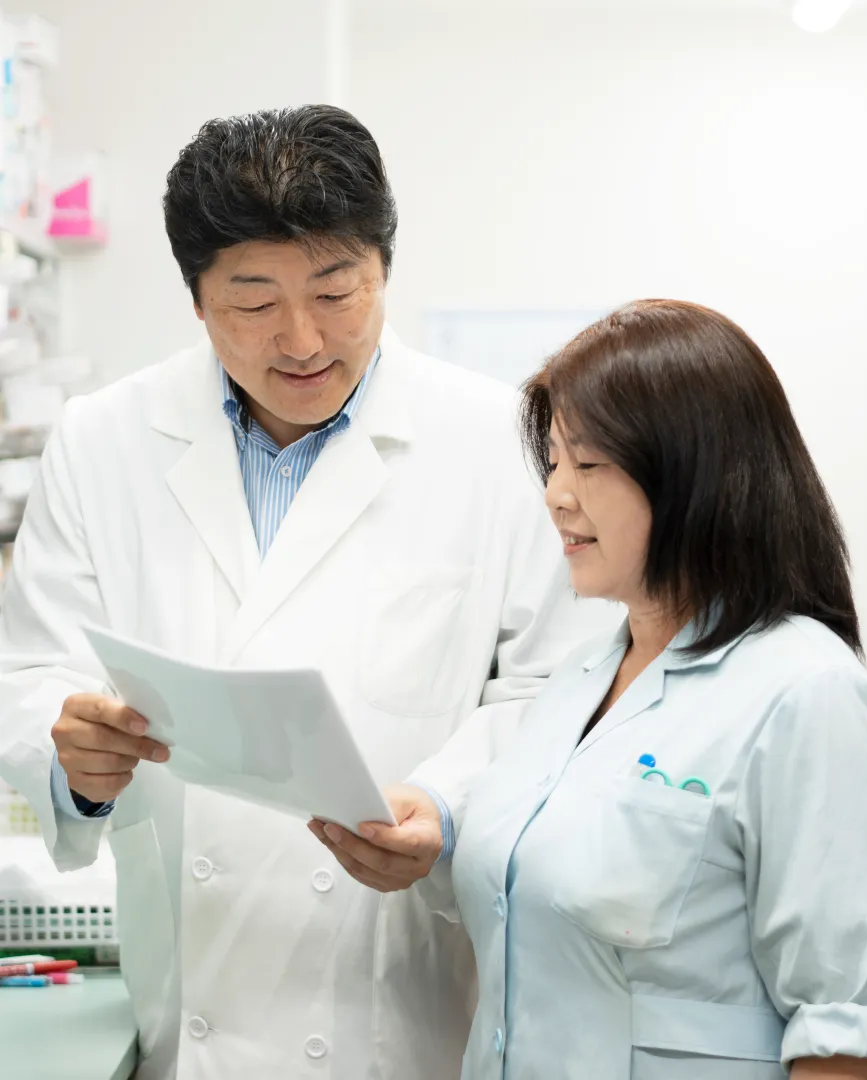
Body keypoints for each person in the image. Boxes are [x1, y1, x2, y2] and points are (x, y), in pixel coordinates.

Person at [0, 105, 613, 1080]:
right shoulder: (104, 439)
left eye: (336, 292)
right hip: (192, 1005)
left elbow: (558, 688)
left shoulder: (494, 440)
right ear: (196, 299)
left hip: (404, 1000)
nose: (301, 339)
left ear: (384, 272)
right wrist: (74, 755)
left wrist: (445, 805)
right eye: (252, 302)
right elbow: (35, 667)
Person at [316, 301, 867, 1079]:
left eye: (589, 465)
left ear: (694, 473)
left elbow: (842, 1032)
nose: (556, 495)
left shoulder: (807, 694)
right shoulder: (578, 683)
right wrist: (425, 841)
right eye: (554, 463)